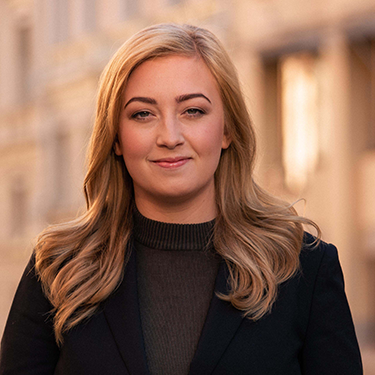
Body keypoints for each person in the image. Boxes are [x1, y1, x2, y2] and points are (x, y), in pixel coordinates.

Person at [0, 23, 362, 375]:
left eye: (193, 111)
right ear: (115, 138)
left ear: (227, 129)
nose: (170, 136)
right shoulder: (59, 269)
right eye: (143, 114)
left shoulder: (303, 268)